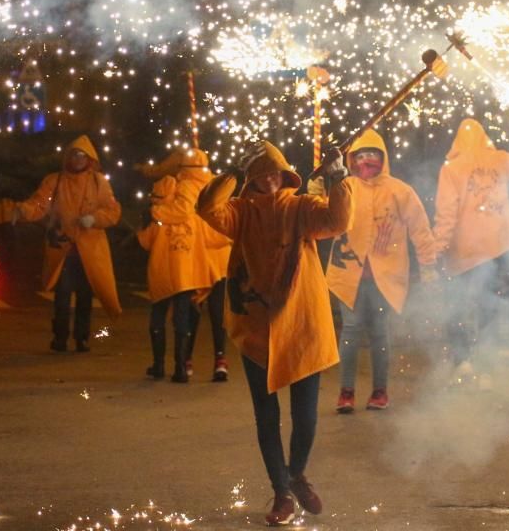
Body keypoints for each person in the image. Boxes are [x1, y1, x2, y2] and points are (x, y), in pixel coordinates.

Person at [197, 141, 351, 526]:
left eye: (273, 172)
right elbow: (207, 208)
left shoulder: (301, 207)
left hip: (303, 325)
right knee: (266, 417)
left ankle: (296, 474)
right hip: (257, 327)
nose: (268, 179)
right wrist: (233, 172)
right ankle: (281, 491)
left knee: (306, 416)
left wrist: (338, 176)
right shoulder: (242, 211)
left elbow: (338, 221)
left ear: (284, 174)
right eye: (259, 173)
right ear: (252, 178)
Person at [326, 129, 437, 412]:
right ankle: (347, 392)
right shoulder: (346, 188)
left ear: (383, 157)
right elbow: (325, 215)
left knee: (378, 332)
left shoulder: (400, 191)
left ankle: (379, 391)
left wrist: (428, 267)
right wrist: (319, 189)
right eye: (360, 156)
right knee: (350, 330)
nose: (366, 161)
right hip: (349, 273)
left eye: (372, 155)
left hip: (384, 278)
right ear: (351, 159)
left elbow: (421, 230)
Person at [432, 118, 509, 388]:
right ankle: (486, 370)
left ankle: (462, 362)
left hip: (463, 253)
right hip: (497, 250)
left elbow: (446, 213)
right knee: (488, 309)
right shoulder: (499, 160)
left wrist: (436, 250)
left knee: (456, 306)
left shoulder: (451, 169)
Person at [8, 135, 122, 351]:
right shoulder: (55, 181)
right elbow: (39, 204)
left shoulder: (99, 182)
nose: (78, 159)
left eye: (82, 155)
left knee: (85, 297)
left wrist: (94, 219)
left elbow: (113, 211)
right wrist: (23, 209)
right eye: (74, 155)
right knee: (62, 295)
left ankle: (82, 338)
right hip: (64, 249)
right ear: (68, 158)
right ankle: (60, 338)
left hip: (90, 251)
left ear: (89, 159)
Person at [138, 147, 233, 381]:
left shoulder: (184, 189)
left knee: (191, 310)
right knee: (216, 310)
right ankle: (218, 359)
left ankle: (185, 361)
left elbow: (177, 212)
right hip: (218, 256)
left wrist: (154, 213)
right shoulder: (216, 185)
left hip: (196, 257)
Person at [136, 175, 215, 382]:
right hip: (186, 278)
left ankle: (159, 366)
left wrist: (142, 224)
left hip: (162, 275)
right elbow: (215, 237)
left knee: (158, 319)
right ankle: (180, 368)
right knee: (181, 321)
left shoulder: (156, 219)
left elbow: (145, 243)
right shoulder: (194, 219)